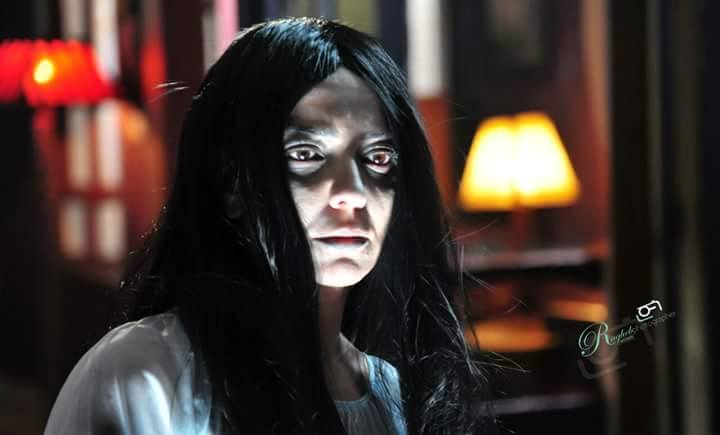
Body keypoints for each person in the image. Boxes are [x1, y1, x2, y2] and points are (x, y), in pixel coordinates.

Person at [45, 17, 498, 435]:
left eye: (378, 158)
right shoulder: (146, 374)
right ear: (231, 184)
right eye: (307, 155)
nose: (352, 192)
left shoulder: (392, 395)